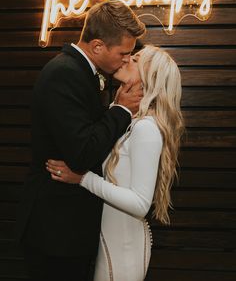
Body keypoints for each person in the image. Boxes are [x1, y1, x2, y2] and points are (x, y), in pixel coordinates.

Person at [16, 0, 146, 281]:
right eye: (124, 53)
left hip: (66, 229)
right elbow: (82, 152)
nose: (126, 60)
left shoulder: (79, 72)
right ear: (98, 46)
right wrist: (121, 110)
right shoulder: (64, 74)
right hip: (55, 231)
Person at [46, 45, 185, 281]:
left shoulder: (145, 129)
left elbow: (140, 203)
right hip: (111, 246)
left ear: (149, 76)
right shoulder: (131, 122)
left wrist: (82, 178)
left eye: (136, 59)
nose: (128, 58)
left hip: (124, 253)